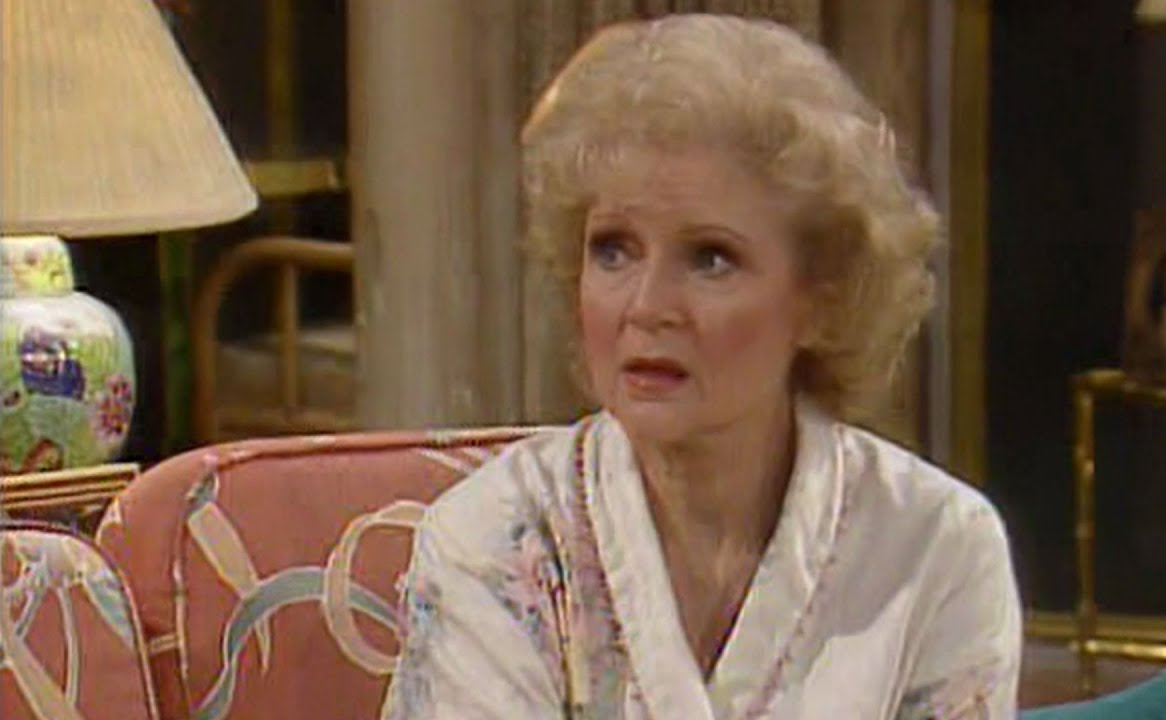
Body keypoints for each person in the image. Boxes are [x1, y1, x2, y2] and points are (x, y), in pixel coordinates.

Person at [381, 14, 1021, 719]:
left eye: (711, 259)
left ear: (822, 298)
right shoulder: (491, 542)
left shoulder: (937, 549)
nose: (647, 307)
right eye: (613, 250)